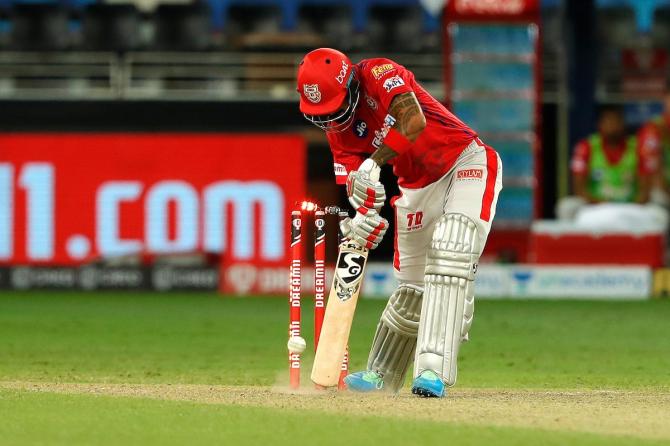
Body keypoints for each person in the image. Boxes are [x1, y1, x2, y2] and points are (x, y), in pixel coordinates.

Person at [296, 48, 502, 397]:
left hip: (465, 162)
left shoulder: (378, 73)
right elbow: (355, 187)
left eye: (336, 108)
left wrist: (374, 163)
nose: (332, 120)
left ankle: (432, 371)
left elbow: (413, 120)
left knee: (452, 247)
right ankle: (381, 374)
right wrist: (363, 217)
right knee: (411, 289)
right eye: (323, 115)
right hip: (415, 186)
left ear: (351, 86)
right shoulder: (338, 133)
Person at [556, 106, 654, 220]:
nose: (612, 126)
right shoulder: (586, 147)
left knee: (658, 214)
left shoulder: (639, 148)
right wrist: (600, 203)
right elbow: (579, 189)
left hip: (630, 206)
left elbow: (645, 189)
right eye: (608, 121)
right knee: (566, 206)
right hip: (594, 205)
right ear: (599, 125)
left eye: (616, 122)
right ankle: (571, 238)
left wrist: (631, 205)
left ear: (623, 124)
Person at [638, 93, 670, 203]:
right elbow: (651, 171)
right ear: (665, 99)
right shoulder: (653, 128)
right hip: (664, 191)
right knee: (657, 196)